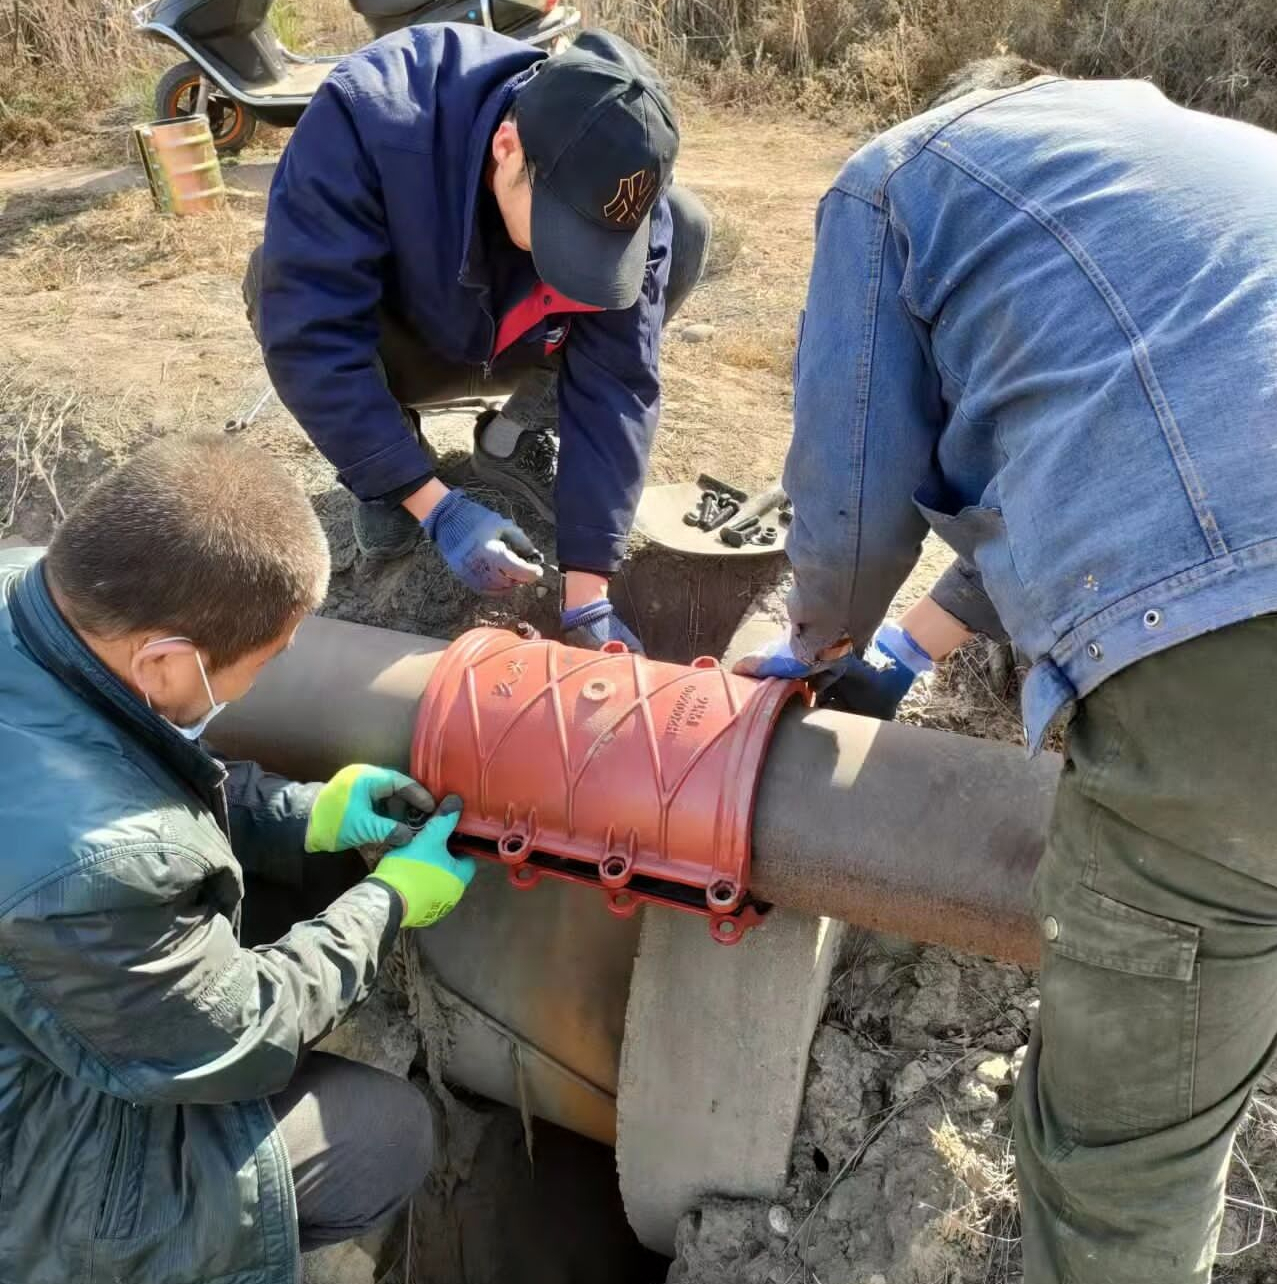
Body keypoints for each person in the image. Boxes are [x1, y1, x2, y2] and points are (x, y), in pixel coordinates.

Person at [738, 59, 1277, 1284]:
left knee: (1119, 1179)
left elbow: (855, 503)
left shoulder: (898, 179)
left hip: (1238, 675)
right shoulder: (1184, 164)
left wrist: (821, 640)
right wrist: (901, 650)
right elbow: (1078, 481)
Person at [0, 434, 477, 1284]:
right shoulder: (94, 873)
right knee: (385, 1135)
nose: (263, 682)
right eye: (264, 665)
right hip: (25, 1174)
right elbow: (239, 1035)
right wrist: (388, 903)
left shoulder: (28, 591)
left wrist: (298, 814)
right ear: (165, 662)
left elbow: (125, 772)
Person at [244, 24, 712, 653]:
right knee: (271, 281)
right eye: (561, 234)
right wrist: (430, 501)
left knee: (688, 227)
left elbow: (619, 379)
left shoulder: (627, 184)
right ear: (507, 146)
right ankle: (390, 459)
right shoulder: (372, 115)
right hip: (412, 338)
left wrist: (587, 592)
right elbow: (311, 333)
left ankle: (518, 430)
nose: (575, 260)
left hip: (521, 340)